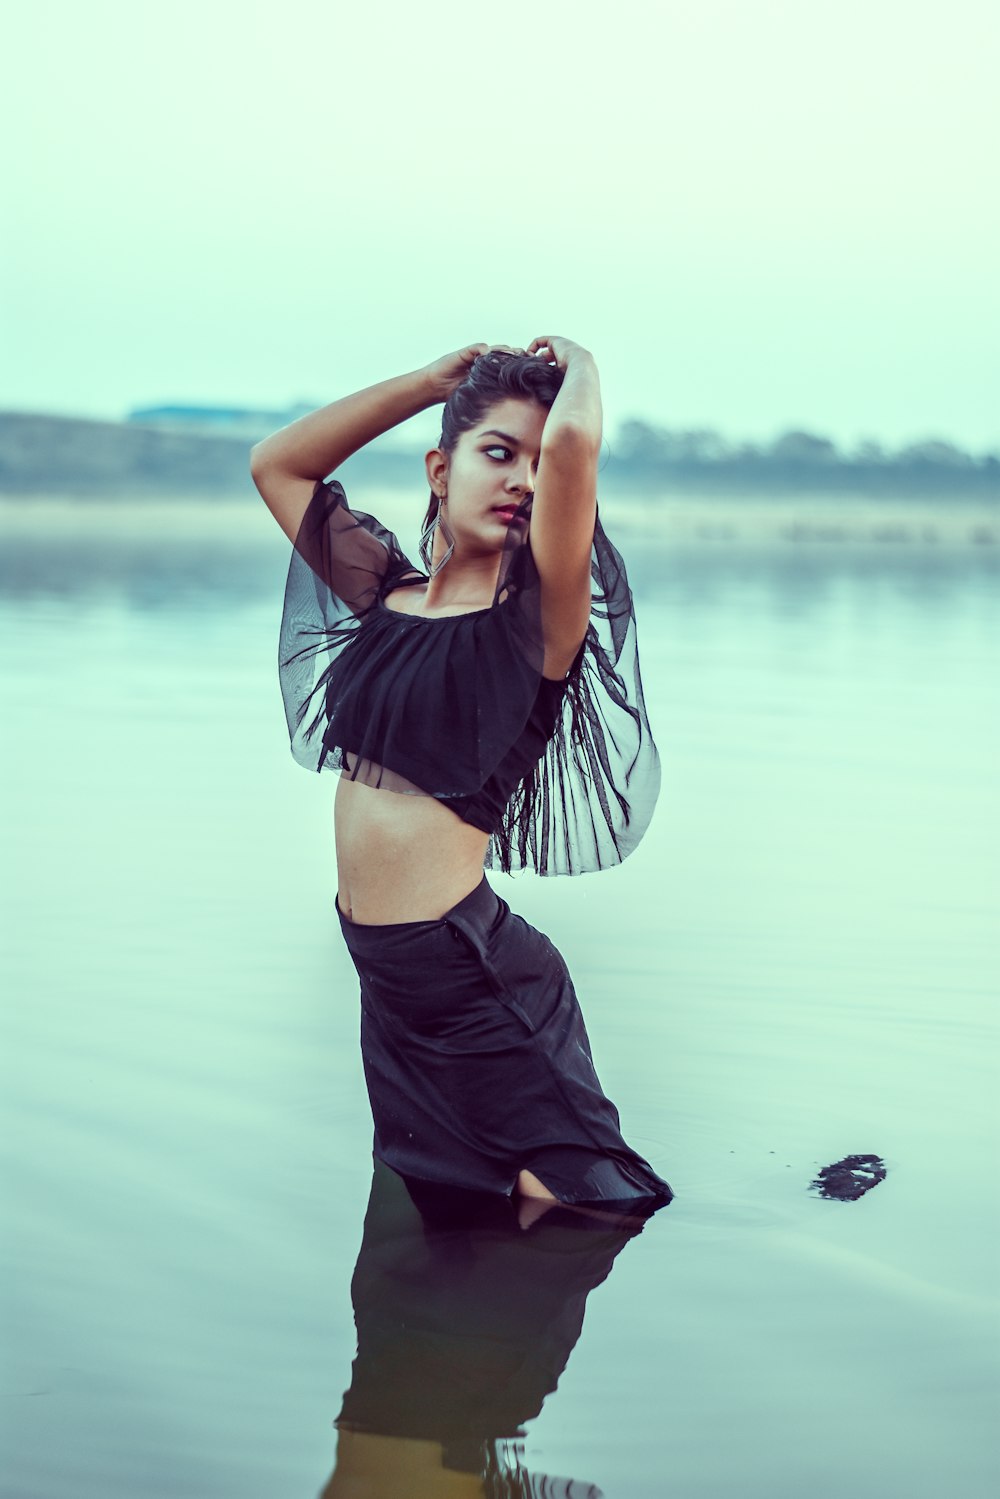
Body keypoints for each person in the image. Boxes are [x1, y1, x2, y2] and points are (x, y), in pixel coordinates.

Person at [249, 338, 672, 1213]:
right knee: (433, 1225)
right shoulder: (383, 595)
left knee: (583, 1207)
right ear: (440, 469)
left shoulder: (535, 626)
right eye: (496, 452)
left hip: (473, 983)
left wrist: (583, 364)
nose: (522, 478)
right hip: (389, 985)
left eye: (535, 461)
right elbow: (278, 465)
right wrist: (430, 384)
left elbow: (573, 452)